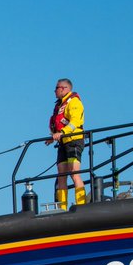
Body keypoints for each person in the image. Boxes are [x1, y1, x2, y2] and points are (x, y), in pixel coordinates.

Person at [47, 78, 87, 210]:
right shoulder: (59, 105)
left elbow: (74, 121)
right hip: (63, 142)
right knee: (61, 174)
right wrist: (53, 137)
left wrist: (62, 132)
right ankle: (62, 207)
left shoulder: (74, 102)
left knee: (74, 172)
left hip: (74, 140)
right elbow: (58, 124)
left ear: (65, 88)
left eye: (56, 88)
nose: (54, 91)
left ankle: (81, 205)